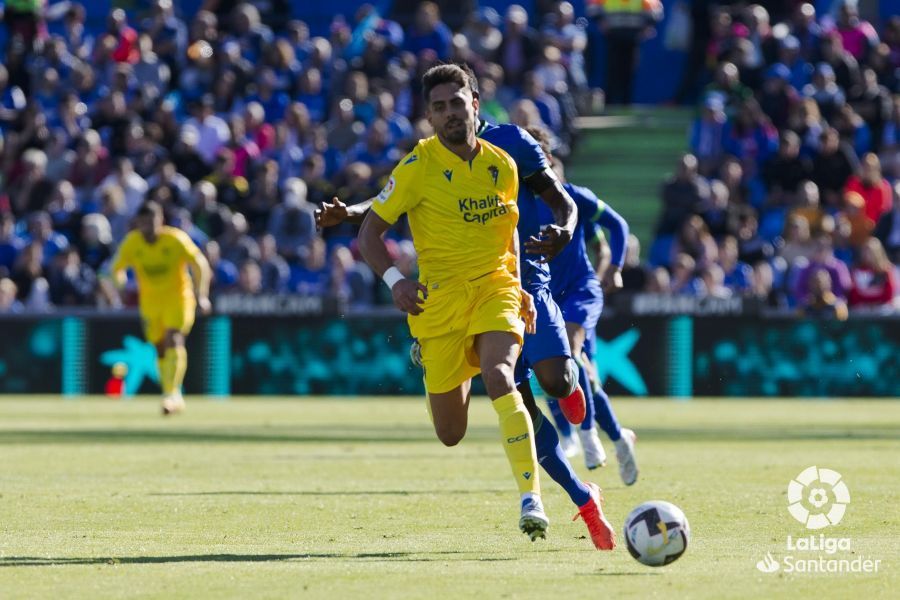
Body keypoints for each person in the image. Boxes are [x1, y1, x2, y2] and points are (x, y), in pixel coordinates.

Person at [327, 64, 615, 549]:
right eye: (438, 107)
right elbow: (374, 225)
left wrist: (522, 286)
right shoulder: (417, 167)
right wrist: (396, 280)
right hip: (439, 306)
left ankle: (533, 500)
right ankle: (576, 481)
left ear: (475, 104)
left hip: (499, 290)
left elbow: (518, 231)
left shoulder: (505, 158)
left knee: (505, 376)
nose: (449, 114)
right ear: (428, 116)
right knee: (450, 433)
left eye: (456, 103)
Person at [527, 125, 638, 485]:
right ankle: (620, 438)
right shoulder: (515, 207)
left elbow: (616, 226)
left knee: (571, 352)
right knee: (581, 375)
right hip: (547, 301)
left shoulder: (572, 197)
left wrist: (616, 267)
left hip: (581, 290)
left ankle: (587, 438)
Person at [107, 201, 211, 414]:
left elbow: (199, 264)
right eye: (143, 223)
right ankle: (171, 393)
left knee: (174, 338)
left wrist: (202, 295)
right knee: (160, 348)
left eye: (152, 222)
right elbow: (115, 268)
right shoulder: (132, 243)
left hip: (178, 298)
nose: (148, 227)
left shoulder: (175, 240)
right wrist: (121, 285)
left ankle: (172, 394)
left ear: (160, 221)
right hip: (151, 303)